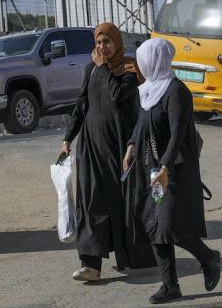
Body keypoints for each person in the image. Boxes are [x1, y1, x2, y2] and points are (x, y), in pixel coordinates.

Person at [123, 37, 221, 304]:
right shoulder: (148, 91)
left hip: (172, 170)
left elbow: (178, 133)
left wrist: (165, 166)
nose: (140, 66)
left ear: (155, 61)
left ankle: (208, 257)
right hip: (152, 170)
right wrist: (131, 146)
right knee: (156, 224)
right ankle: (170, 286)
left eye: (143, 61)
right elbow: (142, 124)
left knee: (169, 223)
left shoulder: (176, 91)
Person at [58, 23, 154, 281]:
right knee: (90, 201)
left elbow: (116, 96)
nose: (103, 48)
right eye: (99, 42)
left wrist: (105, 68)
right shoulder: (91, 69)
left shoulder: (128, 71)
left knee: (123, 201)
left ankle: (131, 256)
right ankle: (90, 264)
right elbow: (81, 105)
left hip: (120, 146)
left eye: (108, 42)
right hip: (91, 146)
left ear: (117, 43)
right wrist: (68, 138)